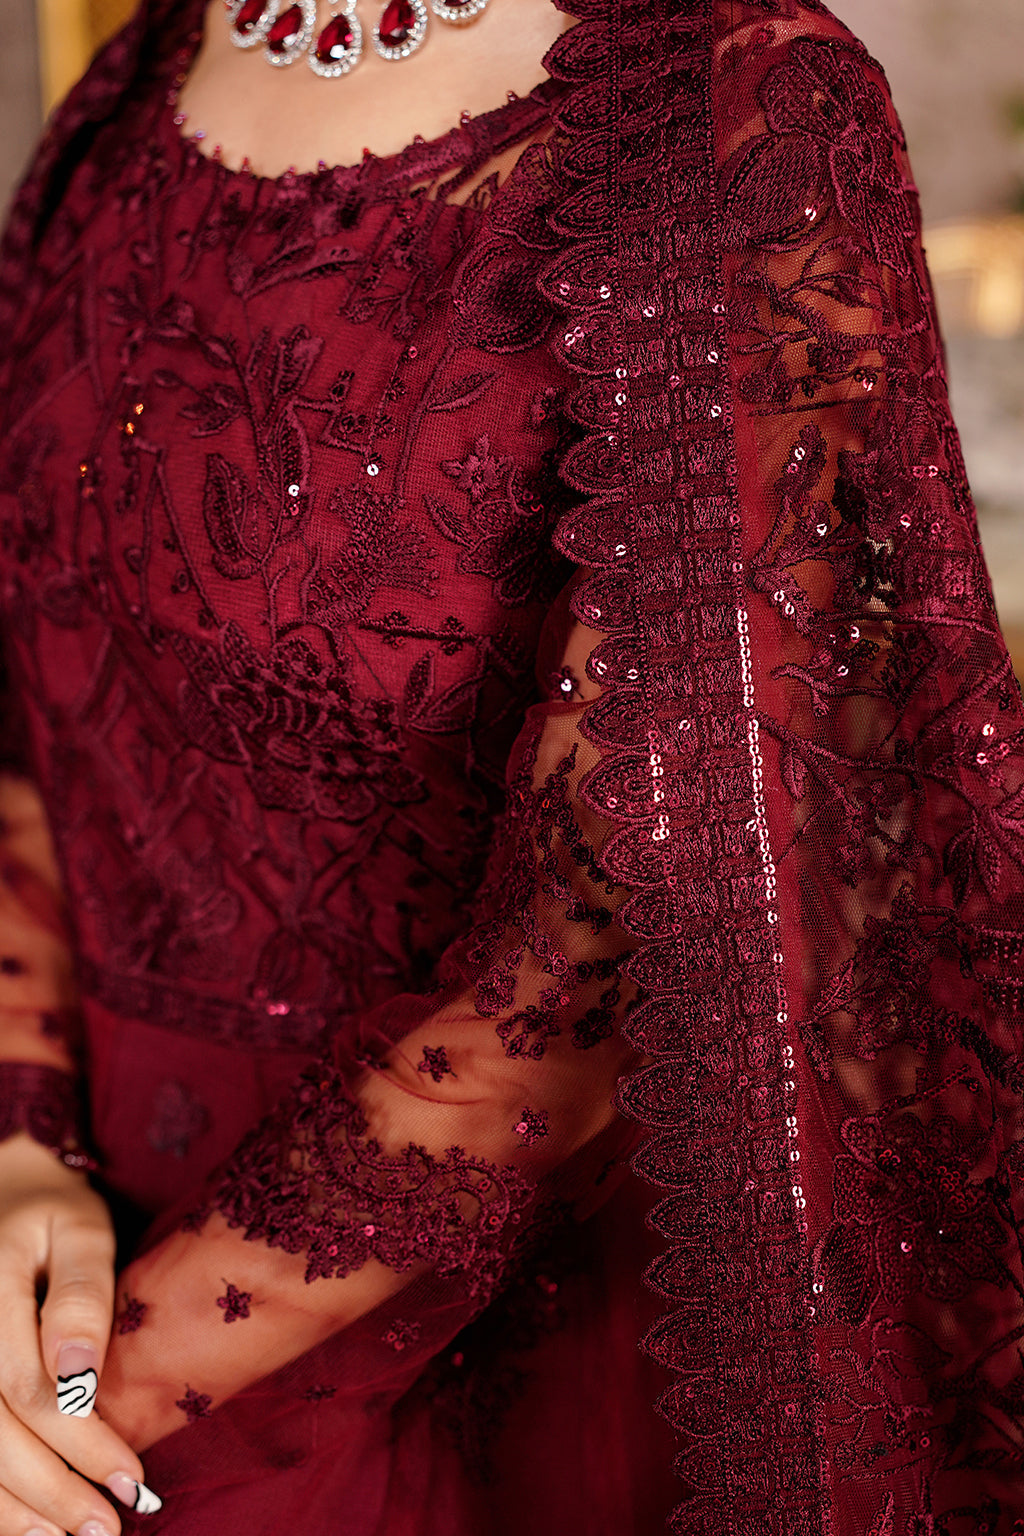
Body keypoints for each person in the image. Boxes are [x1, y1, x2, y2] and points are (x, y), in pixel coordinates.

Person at [0, 1, 1022, 1532]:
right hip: (70, 1241)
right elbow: (32, 726)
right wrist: (23, 1155)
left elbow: (603, 948)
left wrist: (97, 1399)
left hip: (422, 1335)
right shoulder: (135, 79)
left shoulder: (736, 109)